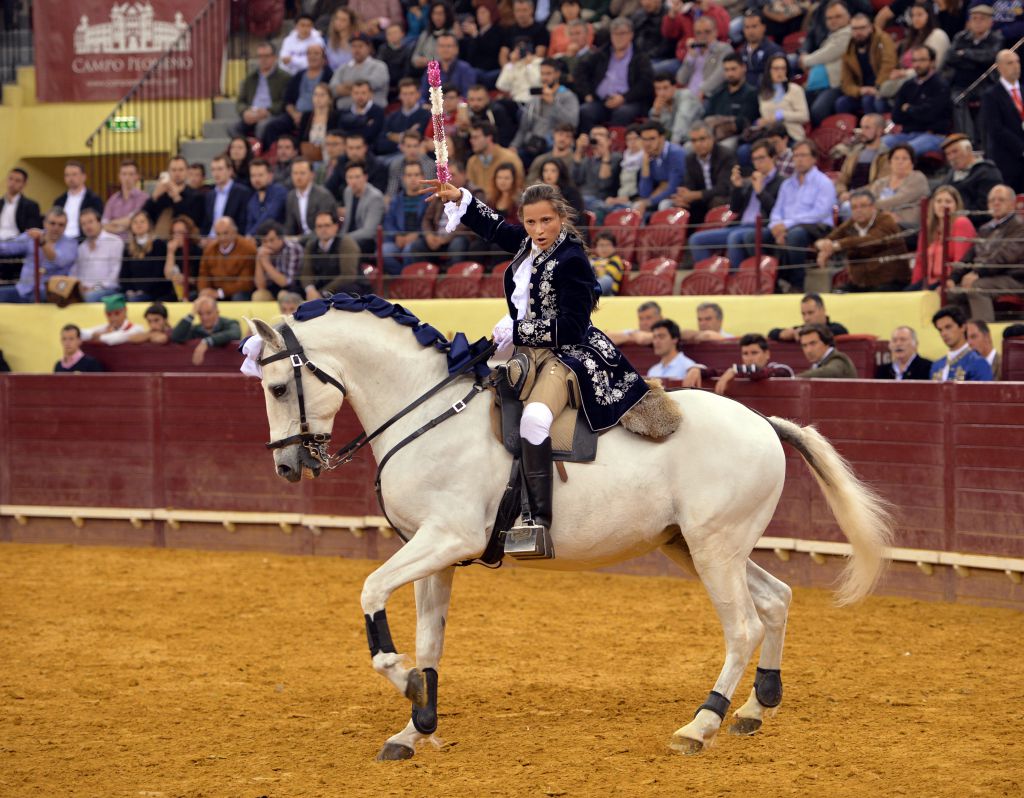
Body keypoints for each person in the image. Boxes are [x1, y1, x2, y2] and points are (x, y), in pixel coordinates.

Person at [424, 176, 650, 548]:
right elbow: (495, 227)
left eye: (545, 221)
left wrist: (520, 330)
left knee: (534, 419)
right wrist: (462, 197)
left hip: (569, 355)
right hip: (526, 350)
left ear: (560, 216)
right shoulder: (528, 245)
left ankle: (537, 520)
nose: (538, 230)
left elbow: (574, 328)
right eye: (530, 222)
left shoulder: (573, 259)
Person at [689, 139, 784, 268]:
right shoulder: (751, 181)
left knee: (734, 237)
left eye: (761, 158)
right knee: (696, 240)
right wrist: (737, 187)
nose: (758, 163)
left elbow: (777, 211)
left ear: (773, 158)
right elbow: (734, 209)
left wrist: (760, 192)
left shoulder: (782, 182)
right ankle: (712, 279)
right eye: (754, 159)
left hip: (762, 227)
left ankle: (736, 281)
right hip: (740, 225)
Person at [948, 184, 1024, 322]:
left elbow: (1004, 256)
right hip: (988, 276)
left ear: (1013, 204)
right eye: (992, 200)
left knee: (978, 287)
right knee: (952, 293)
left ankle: (983, 333)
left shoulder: (1019, 226)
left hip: (1014, 279)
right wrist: (953, 278)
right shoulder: (985, 229)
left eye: (1001, 200)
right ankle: (963, 335)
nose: (996, 203)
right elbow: (969, 256)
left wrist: (978, 273)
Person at [768, 140, 836, 293]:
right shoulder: (787, 184)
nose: (799, 159)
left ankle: (797, 283)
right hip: (789, 226)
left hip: (817, 226)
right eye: (796, 156)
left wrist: (786, 225)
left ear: (814, 159)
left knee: (795, 235)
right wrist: (775, 227)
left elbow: (820, 212)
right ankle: (773, 280)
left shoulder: (823, 182)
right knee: (754, 236)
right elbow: (777, 210)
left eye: (803, 155)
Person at [815, 189, 908, 291]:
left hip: (890, 281)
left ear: (873, 207)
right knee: (837, 294)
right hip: (861, 283)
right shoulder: (851, 223)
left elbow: (871, 241)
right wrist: (823, 245)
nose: (858, 210)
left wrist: (837, 245)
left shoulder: (886, 220)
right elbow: (830, 238)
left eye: (863, 206)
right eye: (854, 207)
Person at [574, 17, 654, 132]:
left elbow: (645, 83)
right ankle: (589, 145)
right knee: (585, 111)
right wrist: (587, 93)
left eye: (622, 33)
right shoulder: (602, 53)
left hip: (629, 100)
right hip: (602, 100)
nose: (618, 38)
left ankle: (615, 147)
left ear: (631, 35)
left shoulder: (640, 57)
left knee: (623, 113)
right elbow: (580, 69)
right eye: (615, 34)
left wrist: (624, 98)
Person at [946, 5, 1002, 145]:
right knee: (957, 100)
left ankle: (983, 142)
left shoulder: (996, 38)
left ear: (990, 22)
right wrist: (974, 60)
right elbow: (950, 57)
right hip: (961, 83)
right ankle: (967, 142)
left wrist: (965, 54)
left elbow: (989, 57)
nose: (977, 22)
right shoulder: (960, 37)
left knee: (988, 100)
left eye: (982, 19)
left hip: (985, 83)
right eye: (974, 19)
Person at [884, 45, 952, 155]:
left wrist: (908, 108)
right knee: (880, 146)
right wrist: (919, 110)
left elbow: (930, 115)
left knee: (905, 151)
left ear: (932, 62)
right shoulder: (907, 85)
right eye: (914, 60)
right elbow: (896, 117)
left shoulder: (940, 85)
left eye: (922, 60)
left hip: (932, 135)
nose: (917, 65)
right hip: (907, 134)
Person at [0, 208, 77, 302]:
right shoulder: (32, 236)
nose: (56, 228)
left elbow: (57, 260)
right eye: (52, 223)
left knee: (38, 296)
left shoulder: (71, 244)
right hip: (23, 290)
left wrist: (42, 242)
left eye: (61, 225)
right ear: (44, 223)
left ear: (65, 227)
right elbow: (7, 248)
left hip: (49, 294)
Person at [265, 45, 334, 147]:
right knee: (272, 126)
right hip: (295, 114)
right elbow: (287, 100)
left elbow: (330, 98)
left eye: (316, 54)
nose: (312, 56)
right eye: (309, 53)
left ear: (323, 58)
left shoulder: (329, 75)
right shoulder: (299, 75)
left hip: (317, 115)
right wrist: (295, 114)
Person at [512, 61, 581, 162]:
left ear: (557, 74)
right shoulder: (535, 99)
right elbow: (523, 129)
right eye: (542, 74)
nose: (545, 77)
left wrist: (553, 103)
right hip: (532, 144)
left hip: (553, 145)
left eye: (548, 73)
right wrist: (513, 146)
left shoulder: (568, 96)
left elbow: (573, 123)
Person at [911, 185, 976, 290]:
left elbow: (960, 261)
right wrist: (914, 287)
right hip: (927, 282)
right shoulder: (928, 228)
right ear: (933, 205)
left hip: (949, 282)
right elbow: (919, 262)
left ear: (956, 205)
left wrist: (950, 282)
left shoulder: (961, 223)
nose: (943, 205)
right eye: (939, 201)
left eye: (948, 201)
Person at [797, 1, 852, 126]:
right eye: (829, 18)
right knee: (798, 105)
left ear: (848, 16)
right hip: (819, 84)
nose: (833, 21)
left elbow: (828, 54)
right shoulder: (832, 35)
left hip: (836, 85)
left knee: (818, 111)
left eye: (838, 16)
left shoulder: (848, 33)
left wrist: (805, 60)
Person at [672, 15, 734, 124]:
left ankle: (677, 138)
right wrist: (690, 57)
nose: (703, 36)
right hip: (687, 95)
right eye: (698, 33)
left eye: (707, 32)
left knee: (686, 106)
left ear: (715, 32)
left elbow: (720, 75)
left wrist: (702, 91)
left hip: (707, 97)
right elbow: (681, 79)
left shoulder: (723, 49)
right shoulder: (694, 51)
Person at [672, 121, 734, 225]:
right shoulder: (690, 159)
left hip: (725, 198)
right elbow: (690, 186)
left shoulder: (725, 155)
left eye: (702, 139)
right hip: (702, 201)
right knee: (680, 206)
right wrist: (683, 196)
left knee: (716, 201)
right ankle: (684, 240)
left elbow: (723, 188)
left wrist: (695, 195)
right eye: (694, 140)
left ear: (712, 138)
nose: (698, 144)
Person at [980, 49, 1024, 194]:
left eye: (1017, 62)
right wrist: (1021, 147)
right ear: (999, 67)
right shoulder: (991, 95)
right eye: (1010, 63)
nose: (1016, 66)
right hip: (1006, 158)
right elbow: (996, 128)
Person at [837, 13, 897, 116]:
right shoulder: (848, 49)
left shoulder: (883, 40)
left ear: (870, 27)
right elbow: (845, 82)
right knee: (841, 103)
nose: (858, 32)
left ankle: (872, 130)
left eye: (862, 28)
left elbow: (888, 66)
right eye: (855, 29)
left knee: (868, 100)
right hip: (862, 91)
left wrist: (877, 87)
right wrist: (859, 90)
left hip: (882, 88)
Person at [233, 41, 291, 146]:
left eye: (266, 56)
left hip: (271, 114)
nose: (263, 59)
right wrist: (245, 112)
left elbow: (284, 102)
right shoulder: (250, 78)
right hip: (252, 112)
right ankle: (245, 153)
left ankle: (262, 154)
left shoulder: (284, 78)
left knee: (263, 126)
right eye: (260, 56)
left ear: (274, 57)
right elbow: (240, 101)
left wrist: (267, 111)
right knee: (234, 128)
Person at [702, 54, 761, 152]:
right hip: (713, 135)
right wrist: (728, 121)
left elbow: (742, 123)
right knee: (689, 147)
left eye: (733, 69)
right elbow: (706, 118)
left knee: (723, 148)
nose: (730, 74)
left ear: (743, 68)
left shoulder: (751, 93)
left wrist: (717, 121)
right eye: (726, 70)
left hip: (738, 137)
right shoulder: (718, 94)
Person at [861, 143, 928, 228]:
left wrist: (872, 205)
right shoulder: (880, 183)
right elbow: (869, 198)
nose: (900, 162)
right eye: (896, 158)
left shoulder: (918, 178)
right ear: (890, 162)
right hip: (879, 221)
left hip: (905, 224)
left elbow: (899, 199)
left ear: (912, 162)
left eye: (904, 158)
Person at [302, 210, 366, 298]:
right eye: (319, 226)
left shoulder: (346, 243)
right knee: (294, 290)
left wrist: (322, 293)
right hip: (320, 288)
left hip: (346, 288)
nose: (323, 229)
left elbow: (348, 275)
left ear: (335, 227)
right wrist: (310, 290)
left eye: (327, 225)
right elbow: (306, 272)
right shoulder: (311, 245)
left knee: (347, 290)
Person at [383, 161, 429, 274]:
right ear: (403, 178)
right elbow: (388, 222)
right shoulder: (396, 200)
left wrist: (417, 235)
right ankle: (402, 278)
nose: (413, 179)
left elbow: (430, 223)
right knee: (383, 252)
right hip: (399, 239)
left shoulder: (430, 199)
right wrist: (397, 236)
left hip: (420, 239)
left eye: (416, 175)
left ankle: (407, 280)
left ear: (423, 177)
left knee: (409, 250)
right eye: (409, 175)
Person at [170, 295, 243, 366]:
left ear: (217, 312)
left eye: (208, 313)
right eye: (200, 314)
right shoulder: (196, 329)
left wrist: (207, 342)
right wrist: (192, 313)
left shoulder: (229, 323)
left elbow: (235, 333)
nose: (204, 318)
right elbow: (175, 337)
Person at [713, 333, 796, 395]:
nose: (749, 358)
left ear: (767, 354)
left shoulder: (782, 369)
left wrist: (734, 370)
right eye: (745, 354)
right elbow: (716, 372)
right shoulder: (740, 372)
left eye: (754, 353)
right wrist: (700, 370)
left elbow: (761, 372)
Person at [755, 55, 809, 147]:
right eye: (776, 68)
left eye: (783, 68)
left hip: (791, 136)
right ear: (769, 71)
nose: (780, 72)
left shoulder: (795, 89)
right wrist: (762, 122)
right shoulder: (763, 92)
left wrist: (780, 115)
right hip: (769, 137)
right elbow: (765, 117)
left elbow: (804, 116)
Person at [71, 207, 124, 303]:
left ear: (99, 222)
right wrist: (80, 287)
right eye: (83, 224)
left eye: (90, 222)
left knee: (88, 297)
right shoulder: (81, 248)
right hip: (86, 290)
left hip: (108, 289)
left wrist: (94, 288)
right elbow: (76, 274)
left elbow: (113, 276)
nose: (87, 226)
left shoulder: (114, 241)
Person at [197, 217, 257, 301]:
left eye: (225, 233)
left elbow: (246, 283)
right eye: (218, 234)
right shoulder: (209, 250)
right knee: (198, 297)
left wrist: (220, 293)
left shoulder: (248, 248)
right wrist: (204, 291)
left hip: (238, 292)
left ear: (234, 232)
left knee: (238, 297)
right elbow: (203, 275)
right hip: (215, 292)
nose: (222, 238)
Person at [119, 211, 173, 303]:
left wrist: (143, 290)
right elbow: (124, 274)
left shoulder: (158, 244)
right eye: (135, 222)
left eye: (142, 222)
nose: (138, 225)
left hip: (154, 291)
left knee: (133, 300)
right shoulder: (128, 248)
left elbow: (158, 272)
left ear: (149, 225)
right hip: (133, 292)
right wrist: (129, 290)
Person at [929, 305, 993, 381]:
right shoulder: (936, 366)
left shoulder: (978, 363)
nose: (944, 333)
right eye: (940, 330)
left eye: (948, 327)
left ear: (962, 327)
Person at [635, 121, 687, 215]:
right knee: (636, 207)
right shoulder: (649, 157)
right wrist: (645, 165)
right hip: (661, 197)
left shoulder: (675, 153)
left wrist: (648, 202)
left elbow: (673, 188)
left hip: (681, 198)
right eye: (644, 139)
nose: (647, 144)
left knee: (664, 205)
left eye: (652, 139)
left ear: (662, 138)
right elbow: (644, 193)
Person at [144, 156, 205, 234]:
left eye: (181, 170)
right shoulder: (161, 195)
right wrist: (154, 196)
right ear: (168, 172)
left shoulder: (196, 196)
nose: (177, 173)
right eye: (173, 170)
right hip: (160, 240)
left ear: (187, 172)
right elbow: (145, 216)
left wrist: (176, 197)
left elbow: (192, 221)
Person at [834, 113, 890, 199]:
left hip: (868, 200)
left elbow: (881, 184)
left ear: (879, 131)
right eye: (862, 127)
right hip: (847, 197)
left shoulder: (886, 155)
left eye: (867, 128)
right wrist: (842, 192)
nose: (862, 131)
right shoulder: (855, 153)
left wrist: (854, 195)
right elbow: (842, 178)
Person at [330, 34, 390, 111]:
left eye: (360, 46)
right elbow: (333, 88)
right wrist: (361, 91)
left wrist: (346, 86)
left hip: (373, 111)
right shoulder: (342, 68)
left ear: (368, 48)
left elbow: (372, 83)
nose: (356, 50)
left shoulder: (379, 66)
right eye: (353, 46)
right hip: (345, 111)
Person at [572, 126, 621, 218]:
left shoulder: (615, 158)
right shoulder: (587, 160)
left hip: (599, 200)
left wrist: (605, 154)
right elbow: (575, 179)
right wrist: (579, 150)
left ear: (609, 140)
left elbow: (604, 184)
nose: (597, 138)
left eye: (601, 135)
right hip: (582, 200)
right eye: (594, 135)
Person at [376, 79, 431, 158]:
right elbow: (381, 144)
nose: (408, 97)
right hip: (392, 155)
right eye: (404, 94)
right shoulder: (392, 117)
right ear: (400, 96)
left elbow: (421, 139)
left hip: (417, 156)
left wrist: (395, 136)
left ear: (418, 95)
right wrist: (404, 142)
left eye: (411, 93)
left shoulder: (426, 115)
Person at [466, 123, 525, 195]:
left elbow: (518, 186)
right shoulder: (472, 161)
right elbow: (470, 188)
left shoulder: (510, 158)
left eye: (476, 137)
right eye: (471, 138)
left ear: (489, 138)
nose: (471, 141)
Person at [340, 162, 386, 255]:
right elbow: (347, 222)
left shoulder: (375, 197)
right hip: (350, 236)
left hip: (369, 240)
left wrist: (343, 239)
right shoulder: (348, 191)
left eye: (357, 177)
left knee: (346, 247)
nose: (353, 181)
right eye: (350, 177)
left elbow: (369, 231)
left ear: (365, 177)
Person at [284, 158, 337, 238]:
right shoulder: (291, 196)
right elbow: (290, 226)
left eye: (302, 173)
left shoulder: (323, 196)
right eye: (295, 173)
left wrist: (300, 239)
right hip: (300, 240)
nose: (298, 177)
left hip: (320, 239)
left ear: (312, 175)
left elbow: (324, 227)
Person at [253, 221, 305, 300]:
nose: (268, 244)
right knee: (259, 295)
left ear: (281, 238)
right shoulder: (263, 252)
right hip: (273, 288)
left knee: (283, 295)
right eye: (264, 241)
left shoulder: (293, 249)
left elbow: (285, 283)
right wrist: (259, 260)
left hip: (293, 289)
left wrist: (266, 263)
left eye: (271, 240)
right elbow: (261, 286)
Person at [417, 32, 476, 100]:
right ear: (437, 49)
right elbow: (423, 96)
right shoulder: (432, 69)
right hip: (435, 109)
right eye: (442, 46)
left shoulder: (465, 69)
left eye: (448, 46)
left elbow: (468, 96)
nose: (445, 49)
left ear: (456, 49)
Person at [203, 156, 252, 237]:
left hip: (232, 240)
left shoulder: (242, 192)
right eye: (213, 170)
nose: (216, 173)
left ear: (230, 171)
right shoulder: (210, 195)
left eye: (220, 169)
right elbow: (207, 222)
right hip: (211, 240)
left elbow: (243, 222)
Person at [54, 160, 104, 240]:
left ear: (84, 177)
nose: (71, 178)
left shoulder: (94, 199)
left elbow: (98, 223)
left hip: (84, 240)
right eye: (67, 175)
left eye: (74, 174)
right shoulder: (59, 201)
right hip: (62, 240)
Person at [769, 292, 849, 341]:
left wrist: (802, 333)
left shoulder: (837, 328)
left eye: (811, 313)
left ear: (823, 310)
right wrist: (783, 334)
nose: (806, 318)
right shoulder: (801, 329)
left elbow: (838, 331)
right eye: (803, 314)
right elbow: (772, 333)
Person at [101, 159, 148, 240]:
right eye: (124, 174)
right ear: (119, 176)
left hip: (135, 244)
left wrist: (113, 222)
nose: (127, 178)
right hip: (114, 244)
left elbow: (134, 221)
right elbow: (104, 225)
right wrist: (123, 226)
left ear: (137, 176)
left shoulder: (143, 198)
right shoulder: (112, 200)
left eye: (131, 174)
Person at [385, 131, 438, 203]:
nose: (412, 150)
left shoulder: (429, 165)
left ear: (420, 146)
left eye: (415, 146)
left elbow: (430, 192)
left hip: (425, 203)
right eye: (409, 146)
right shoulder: (396, 164)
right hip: (402, 202)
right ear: (402, 147)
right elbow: (391, 191)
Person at [646, 318, 703, 384]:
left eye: (661, 337)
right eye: (654, 337)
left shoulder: (688, 367)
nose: (656, 341)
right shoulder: (653, 371)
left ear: (675, 339)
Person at [738, 11, 784, 89]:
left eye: (754, 26)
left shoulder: (774, 51)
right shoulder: (741, 52)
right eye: (747, 27)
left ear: (763, 27)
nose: (750, 31)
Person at [243, 159, 288, 236]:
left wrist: (250, 235)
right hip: (259, 241)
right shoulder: (252, 201)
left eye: (260, 175)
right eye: (253, 175)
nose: (256, 179)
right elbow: (249, 225)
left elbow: (269, 217)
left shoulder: (279, 192)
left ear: (270, 175)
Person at [0, 168, 42, 242]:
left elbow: (31, 231)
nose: (12, 183)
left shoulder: (30, 206)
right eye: (10, 179)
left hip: (17, 242)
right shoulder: (1, 203)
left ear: (24, 184)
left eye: (17, 181)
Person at [163, 215, 201, 295]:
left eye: (180, 232)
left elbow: (201, 279)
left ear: (189, 232)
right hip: (174, 291)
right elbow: (168, 275)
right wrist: (171, 252)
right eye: (174, 233)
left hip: (193, 290)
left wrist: (186, 279)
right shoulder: (170, 249)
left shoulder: (197, 251)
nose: (177, 236)